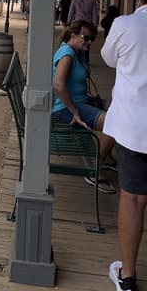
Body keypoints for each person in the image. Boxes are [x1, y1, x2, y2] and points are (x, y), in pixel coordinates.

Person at [105, 0, 147, 291]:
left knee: (133, 200)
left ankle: (128, 277)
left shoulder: (126, 24)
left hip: (136, 129)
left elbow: (108, 58)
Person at [50, 20, 117, 194]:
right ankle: (94, 170)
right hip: (65, 109)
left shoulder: (76, 51)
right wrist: (75, 112)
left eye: (92, 39)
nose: (89, 42)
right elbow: (58, 85)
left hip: (82, 101)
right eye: (86, 38)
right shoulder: (67, 54)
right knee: (116, 124)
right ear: (73, 35)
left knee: (118, 107)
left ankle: (107, 157)